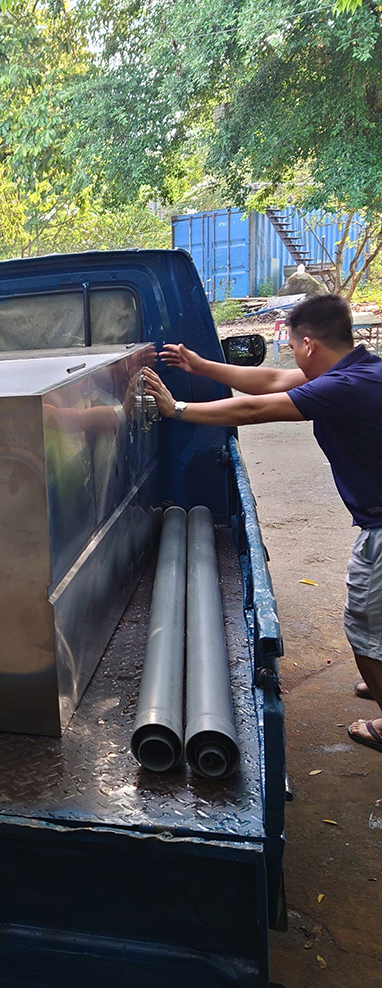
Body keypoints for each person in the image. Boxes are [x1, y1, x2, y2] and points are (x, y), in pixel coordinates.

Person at [143, 294, 382, 753]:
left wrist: (178, 410)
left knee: (365, 630)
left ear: (308, 344)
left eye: (291, 346)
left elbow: (255, 409)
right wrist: (202, 366)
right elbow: (271, 379)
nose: (291, 354)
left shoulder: (342, 387)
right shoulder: (359, 370)